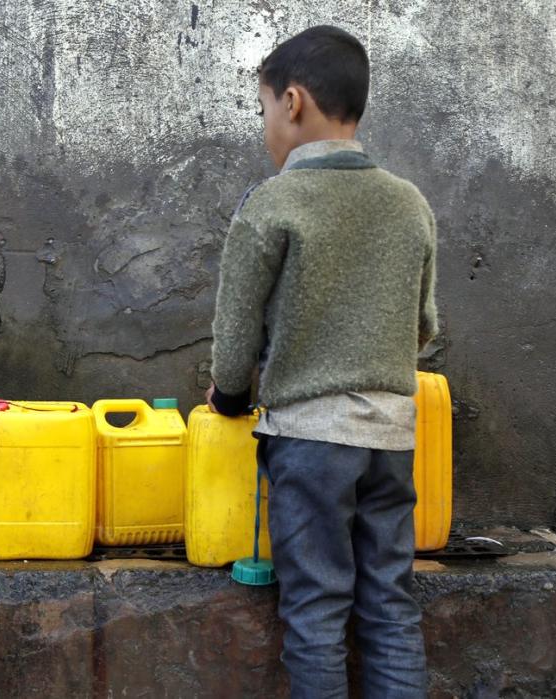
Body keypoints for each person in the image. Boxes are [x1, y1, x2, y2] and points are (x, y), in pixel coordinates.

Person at [206, 25, 438, 698]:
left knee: (315, 610)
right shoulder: (410, 204)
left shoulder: (272, 202)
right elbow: (423, 327)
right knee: (391, 606)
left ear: (294, 102)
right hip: (391, 436)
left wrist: (228, 396)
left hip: (309, 443)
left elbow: (235, 336)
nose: (265, 129)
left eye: (263, 111)